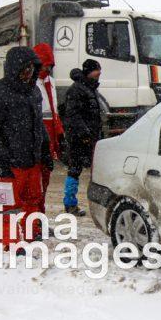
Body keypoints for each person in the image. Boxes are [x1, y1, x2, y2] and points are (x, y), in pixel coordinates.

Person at [0, 46, 52, 249]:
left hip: (32, 161)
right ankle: (10, 243)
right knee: (9, 206)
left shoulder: (34, 92)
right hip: (9, 163)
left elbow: (38, 125)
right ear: (14, 68)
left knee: (32, 200)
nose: (28, 73)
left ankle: (31, 234)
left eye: (31, 69)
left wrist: (45, 151)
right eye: (25, 69)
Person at [62, 59, 103, 216]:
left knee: (88, 170)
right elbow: (73, 115)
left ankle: (94, 204)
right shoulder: (77, 89)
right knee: (75, 170)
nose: (99, 73)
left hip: (90, 136)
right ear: (89, 72)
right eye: (96, 70)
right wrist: (85, 134)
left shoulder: (89, 88)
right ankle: (70, 204)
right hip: (79, 138)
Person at [33, 43, 65, 212]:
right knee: (35, 180)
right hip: (38, 135)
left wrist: (60, 134)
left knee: (45, 178)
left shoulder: (50, 82)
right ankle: (35, 215)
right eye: (45, 65)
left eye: (49, 66)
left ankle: (40, 212)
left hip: (50, 135)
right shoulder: (31, 84)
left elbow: (54, 111)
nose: (47, 69)